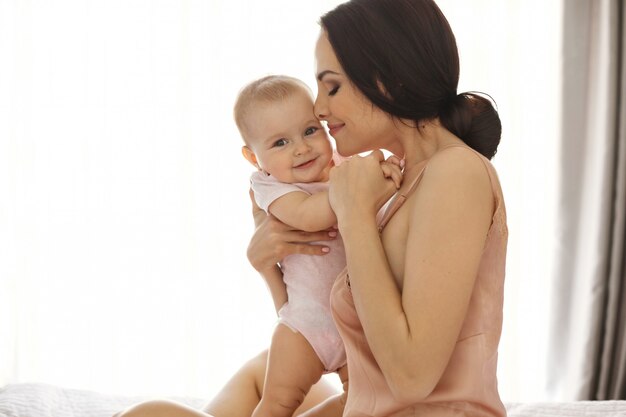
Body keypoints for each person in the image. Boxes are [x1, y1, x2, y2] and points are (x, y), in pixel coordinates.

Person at [115, 0, 508, 416]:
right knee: (255, 373)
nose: (319, 109)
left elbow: (411, 378)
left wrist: (352, 212)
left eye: (332, 86)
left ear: (388, 79)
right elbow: (330, 332)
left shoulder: (455, 171)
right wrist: (270, 267)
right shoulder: (405, 179)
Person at [233, 74, 400, 417]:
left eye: (310, 131)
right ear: (254, 158)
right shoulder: (270, 187)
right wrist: (364, 188)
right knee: (278, 402)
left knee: (366, 403)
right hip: (305, 327)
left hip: (358, 325)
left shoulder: (343, 169)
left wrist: (385, 171)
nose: (301, 148)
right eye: (280, 143)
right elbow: (310, 216)